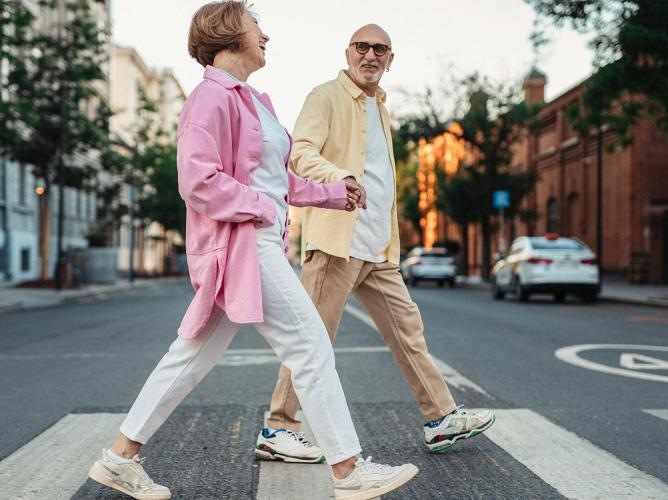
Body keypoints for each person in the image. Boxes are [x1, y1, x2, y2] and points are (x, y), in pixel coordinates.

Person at [86, 3, 418, 499]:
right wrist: (261, 207)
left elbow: (276, 179)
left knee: (189, 357)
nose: (266, 35)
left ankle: (118, 458)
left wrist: (332, 192)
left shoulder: (253, 100)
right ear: (228, 33)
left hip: (255, 240)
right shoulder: (208, 97)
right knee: (310, 348)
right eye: (256, 25)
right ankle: (348, 471)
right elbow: (197, 181)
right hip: (242, 244)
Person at [258, 23, 495, 462]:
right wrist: (338, 177)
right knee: (313, 339)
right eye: (362, 47)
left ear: (390, 58)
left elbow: (382, 178)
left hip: (378, 248)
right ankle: (278, 428)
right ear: (348, 52)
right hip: (336, 243)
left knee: (409, 332)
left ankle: (440, 418)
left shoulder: (381, 108)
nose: (370, 55)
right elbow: (300, 152)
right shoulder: (325, 96)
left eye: (380, 49)